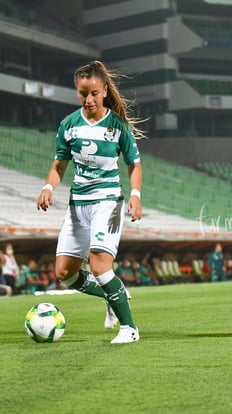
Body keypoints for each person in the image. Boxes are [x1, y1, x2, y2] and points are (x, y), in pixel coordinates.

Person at [37, 60, 144, 344]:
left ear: (105, 91)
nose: (89, 99)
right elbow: (59, 165)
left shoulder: (117, 125)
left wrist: (135, 195)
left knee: (99, 266)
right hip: (77, 206)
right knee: (64, 274)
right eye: (83, 93)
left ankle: (129, 329)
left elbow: (134, 164)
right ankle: (110, 295)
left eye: (94, 93)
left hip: (107, 202)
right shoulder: (69, 125)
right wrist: (49, 186)